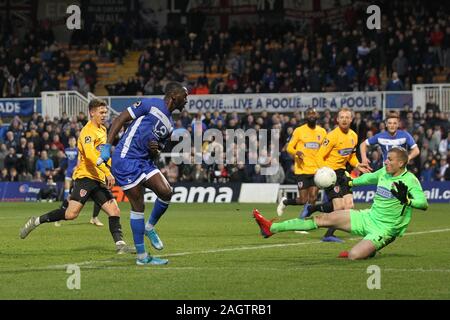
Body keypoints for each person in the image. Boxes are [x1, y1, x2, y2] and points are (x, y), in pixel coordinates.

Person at [254, 147, 428, 260]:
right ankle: (271, 228)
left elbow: (423, 203)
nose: (386, 162)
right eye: (386, 158)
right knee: (323, 219)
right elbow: (369, 177)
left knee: (353, 256)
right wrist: (351, 182)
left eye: (390, 159)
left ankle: (368, 250)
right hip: (368, 217)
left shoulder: (410, 181)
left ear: (401, 162)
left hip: (385, 229)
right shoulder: (384, 172)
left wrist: (407, 200)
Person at [20, 99, 133, 254]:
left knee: (114, 211)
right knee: (71, 214)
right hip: (85, 178)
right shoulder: (87, 132)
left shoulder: (103, 130)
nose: (104, 115)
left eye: (105, 112)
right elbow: (91, 155)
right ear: (92, 112)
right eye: (101, 112)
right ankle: (36, 221)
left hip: (98, 178)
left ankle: (121, 245)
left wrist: (113, 168)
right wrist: (107, 172)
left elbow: (103, 155)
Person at [97, 82, 188, 265]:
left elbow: (157, 150)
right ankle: (142, 257)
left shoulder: (170, 125)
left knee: (166, 192)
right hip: (126, 159)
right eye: (185, 97)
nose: (186, 101)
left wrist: (155, 149)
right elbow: (120, 118)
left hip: (145, 161)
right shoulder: (150, 104)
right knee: (138, 205)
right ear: (174, 96)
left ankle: (149, 227)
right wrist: (107, 146)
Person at [302, 107, 372, 242]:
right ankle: (327, 233)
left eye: (347, 117)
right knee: (339, 207)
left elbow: (350, 156)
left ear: (351, 119)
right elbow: (319, 156)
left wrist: (358, 165)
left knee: (349, 206)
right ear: (337, 120)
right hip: (330, 174)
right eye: (342, 117)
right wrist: (324, 171)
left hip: (342, 173)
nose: (345, 119)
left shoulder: (353, 136)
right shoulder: (332, 136)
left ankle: (316, 214)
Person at [277, 108, 326, 218]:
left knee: (313, 197)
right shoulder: (299, 130)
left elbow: (325, 149)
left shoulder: (322, 132)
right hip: (301, 170)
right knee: (303, 200)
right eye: (309, 114)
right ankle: (285, 202)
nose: (312, 115)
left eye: (314, 113)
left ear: (317, 116)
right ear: (306, 117)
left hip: (316, 170)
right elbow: (289, 147)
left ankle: (303, 220)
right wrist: (296, 152)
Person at [55, 136, 104, 227]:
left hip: (91, 175)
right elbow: (76, 161)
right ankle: (59, 215)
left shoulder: (95, 149)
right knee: (70, 195)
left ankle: (94, 217)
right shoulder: (80, 150)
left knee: (99, 197)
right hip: (80, 175)